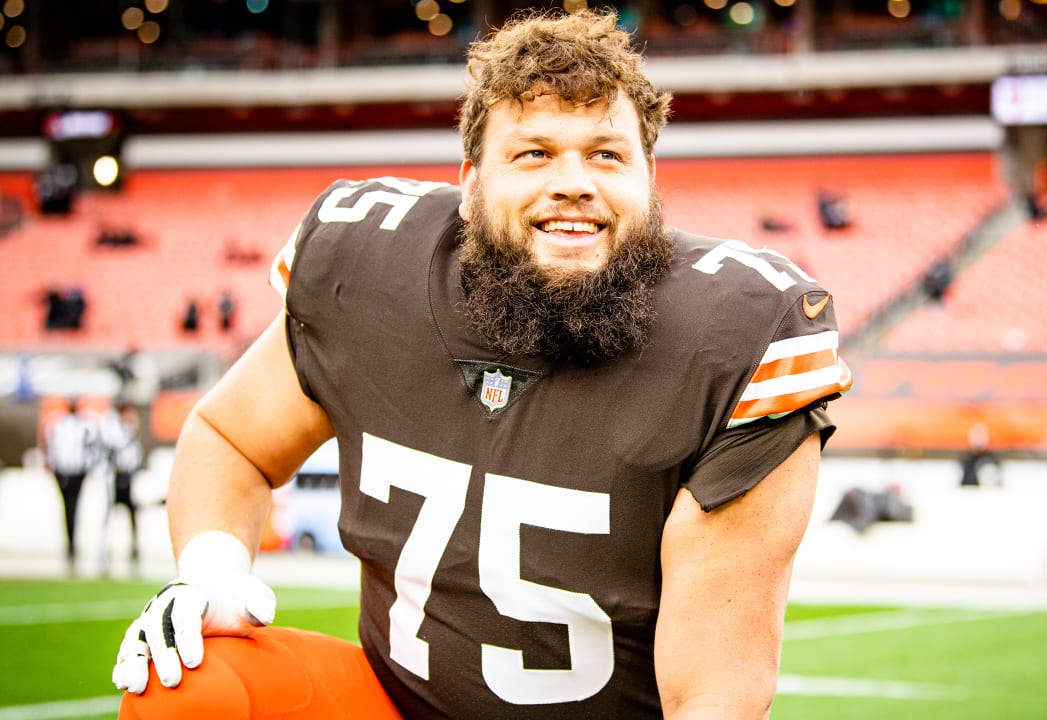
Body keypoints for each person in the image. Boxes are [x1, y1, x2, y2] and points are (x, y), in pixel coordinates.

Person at [111, 10, 852, 720]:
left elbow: (715, 700)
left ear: (650, 182)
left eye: (606, 153)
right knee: (187, 685)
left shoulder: (738, 338)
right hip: (390, 706)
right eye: (534, 152)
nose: (573, 181)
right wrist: (210, 570)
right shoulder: (372, 267)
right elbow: (233, 440)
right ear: (469, 184)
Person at [43, 398, 102, 567]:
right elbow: (49, 446)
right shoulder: (58, 424)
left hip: (77, 471)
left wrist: (88, 468)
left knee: (73, 507)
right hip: (63, 470)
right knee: (68, 507)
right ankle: (70, 542)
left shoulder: (85, 425)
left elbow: (92, 448)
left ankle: (72, 542)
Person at [100, 402, 145, 563]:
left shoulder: (130, 432)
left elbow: (135, 457)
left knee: (132, 514)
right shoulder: (113, 431)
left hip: (128, 478)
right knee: (109, 515)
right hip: (115, 479)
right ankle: (105, 549)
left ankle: (134, 547)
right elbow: (112, 453)